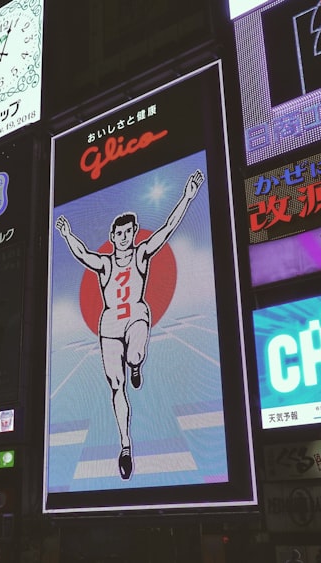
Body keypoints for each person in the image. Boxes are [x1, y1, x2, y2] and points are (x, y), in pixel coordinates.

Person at [54, 169, 204, 480]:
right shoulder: (105, 263)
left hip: (136, 314)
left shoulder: (142, 254)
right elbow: (83, 254)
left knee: (135, 353)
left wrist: (187, 196)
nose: (124, 237)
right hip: (109, 324)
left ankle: (136, 363)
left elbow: (168, 228)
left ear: (134, 232)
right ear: (112, 237)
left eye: (129, 232)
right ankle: (125, 445)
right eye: (119, 234)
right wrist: (67, 235)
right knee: (115, 385)